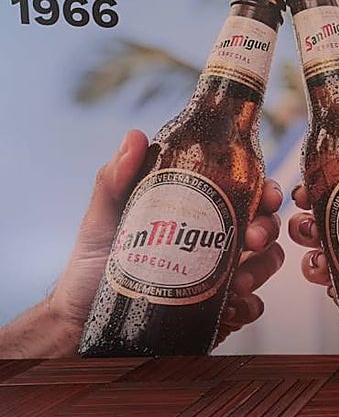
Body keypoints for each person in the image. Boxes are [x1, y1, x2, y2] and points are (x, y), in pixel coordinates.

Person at [0, 129, 284, 357]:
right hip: (105, 336)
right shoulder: (184, 136)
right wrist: (68, 321)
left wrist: (66, 321)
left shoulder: (241, 152)